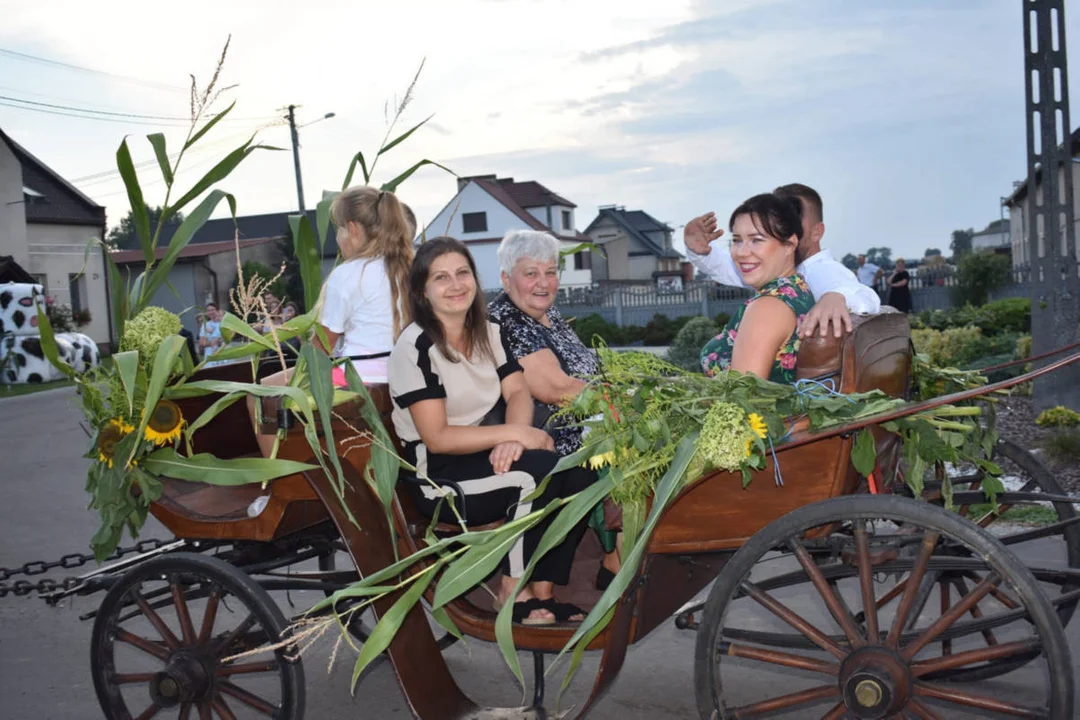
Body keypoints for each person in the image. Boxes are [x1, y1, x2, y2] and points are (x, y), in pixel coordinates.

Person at [389, 237, 593, 625]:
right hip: (438, 474)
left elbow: (517, 390)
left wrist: (515, 434)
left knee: (576, 469)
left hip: (480, 454)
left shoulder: (487, 332)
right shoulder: (415, 346)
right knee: (532, 476)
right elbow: (438, 437)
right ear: (422, 290)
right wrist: (512, 437)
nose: (456, 285)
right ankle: (511, 591)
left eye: (463, 273)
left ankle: (544, 593)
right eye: (441, 278)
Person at [487, 229, 621, 588]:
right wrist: (624, 404)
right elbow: (555, 389)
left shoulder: (548, 315)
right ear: (505, 277)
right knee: (627, 453)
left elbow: (583, 373)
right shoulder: (508, 321)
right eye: (531, 273)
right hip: (544, 436)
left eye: (550, 272)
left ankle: (617, 555)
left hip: (582, 426)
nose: (543, 282)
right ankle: (615, 557)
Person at [684, 183, 880, 339]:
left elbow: (864, 295)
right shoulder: (780, 271)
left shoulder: (820, 271)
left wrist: (837, 296)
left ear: (817, 232)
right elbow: (731, 267)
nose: (781, 226)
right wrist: (699, 251)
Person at [700, 193, 816, 383]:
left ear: (789, 244)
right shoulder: (797, 288)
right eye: (737, 240)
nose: (742, 252)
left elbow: (743, 399)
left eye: (756, 240)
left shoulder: (768, 306)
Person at [318, 186, 413, 384]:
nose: (337, 238)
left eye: (339, 229)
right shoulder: (411, 266)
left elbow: (322, 347)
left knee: (257, 392)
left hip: (356, 379)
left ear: (352, 229)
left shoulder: (346, 274)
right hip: (409, 376)